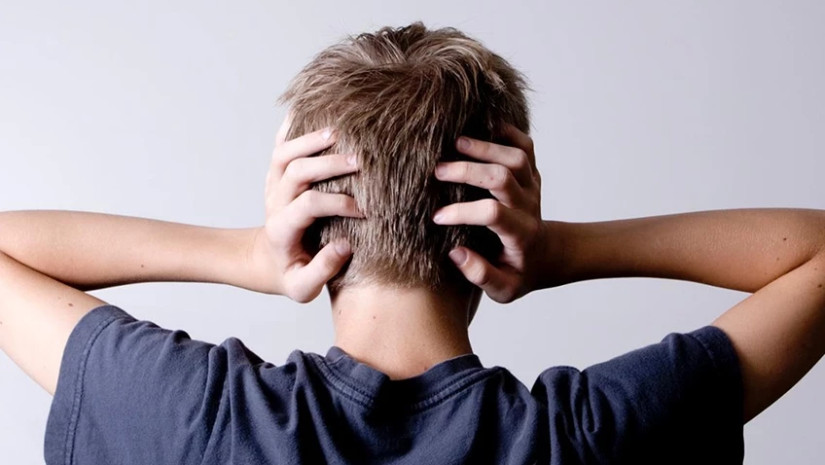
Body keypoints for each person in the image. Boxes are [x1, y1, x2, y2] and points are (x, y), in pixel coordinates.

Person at [0, 22, 823, 465]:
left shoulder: (197, 416)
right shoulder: (590, 436)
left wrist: (247, 256)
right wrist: (556, 252)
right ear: (496, 224)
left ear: (308, 224)